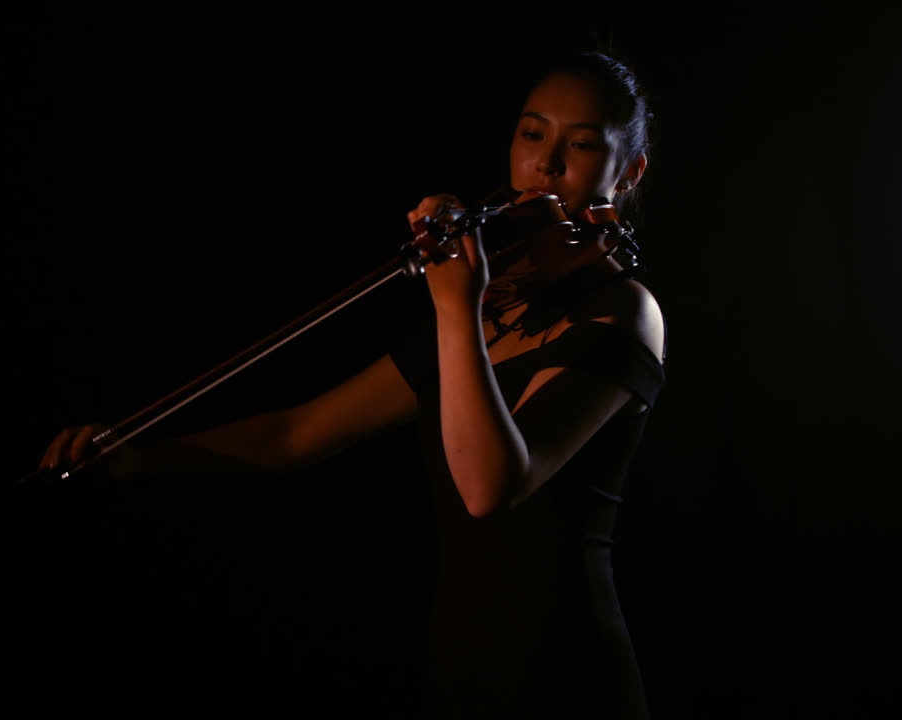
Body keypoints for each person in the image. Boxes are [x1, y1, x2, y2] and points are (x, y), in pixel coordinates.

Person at [37, 49, 666, 719]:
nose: (545, 164)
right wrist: (134, 455)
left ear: (628, 172)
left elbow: (489, 487)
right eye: (532, 133)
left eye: (582, 145)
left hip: (564, 669)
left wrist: (455, 308)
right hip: (459, 661)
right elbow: (295, 434)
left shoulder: (623, 310)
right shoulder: (491, 306)